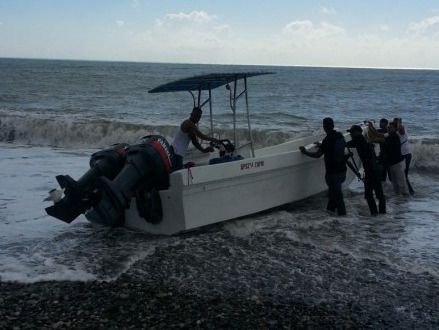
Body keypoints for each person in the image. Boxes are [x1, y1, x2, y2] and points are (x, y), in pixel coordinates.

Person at [299, 117, 347, 216]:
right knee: (333, 196)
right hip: (342, 172)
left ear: (324, 127)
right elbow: (333, 148)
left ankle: (344, 219)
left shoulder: (327, 140)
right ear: (333, 126)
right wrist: (322, 145)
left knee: (337, 197)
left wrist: (305, 152)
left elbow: (317, 155)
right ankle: (331, 216)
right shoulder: (340, 136)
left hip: (333, 173)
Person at [346, 125, 386, 215]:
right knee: (379, 194)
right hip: (374, 169)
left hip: (371, 170)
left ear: (357, 132)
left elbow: (348, 144)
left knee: (369, 195)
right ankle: (382, 214)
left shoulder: (359, 139)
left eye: (352, 132)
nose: (350, 134)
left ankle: (375, 214)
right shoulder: (364, 140)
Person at [368, 121, 409, 195]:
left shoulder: (395, 135)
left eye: (390, 127)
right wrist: (370, 127)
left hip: (397, 163)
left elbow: (377, 139)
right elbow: (378, 134)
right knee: (395, 183)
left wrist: (370, 137)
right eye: (388, 127)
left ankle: (405, 199)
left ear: (395, 129)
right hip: (392, 163)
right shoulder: (389, 135)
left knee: (401, 183)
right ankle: (399, 201)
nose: (389, 129)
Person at [394, 118, 414, 194]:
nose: (396, 125)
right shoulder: (396, 132)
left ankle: (410, 191)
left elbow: (400, 129)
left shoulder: (402, 130)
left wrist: (399, 121)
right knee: (402, 175)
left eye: (396, 124)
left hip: (406, 155)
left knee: (404, 175)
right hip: (402, 155)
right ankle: (406, 191)